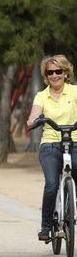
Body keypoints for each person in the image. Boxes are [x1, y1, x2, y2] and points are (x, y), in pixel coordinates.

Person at [27, 55, 77, 241]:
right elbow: (33, 116)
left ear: (66, 73)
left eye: (58, 71)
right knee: (51, 184)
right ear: (46, 76)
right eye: (50, 72)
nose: (54, 75)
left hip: (75, 142)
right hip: (50, 144)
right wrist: (33, 121)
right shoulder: (42, 95)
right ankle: (46, 226)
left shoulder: (74, 92)